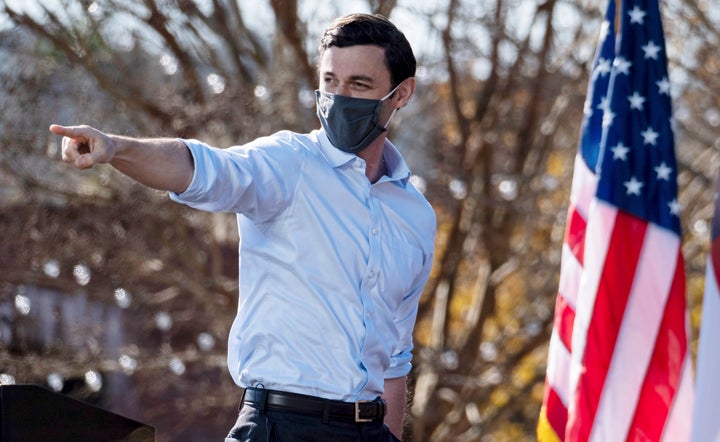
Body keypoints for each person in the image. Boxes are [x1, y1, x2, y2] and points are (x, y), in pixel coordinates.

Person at [50, 12, 435, 442]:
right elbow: (202, 168)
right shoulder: (288, 163)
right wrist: (116, 148)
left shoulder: (415, 216)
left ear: (401, 94)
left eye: (358, 85)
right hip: (280, 426)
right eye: (329, 82)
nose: (338, 97)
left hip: (371, 431)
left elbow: (397, 358)